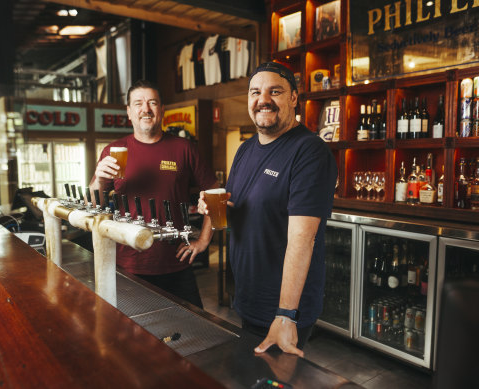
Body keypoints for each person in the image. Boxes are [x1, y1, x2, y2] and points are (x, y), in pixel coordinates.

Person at [198, 62, 338, 356]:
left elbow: (303, 239)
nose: (263, 100)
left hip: (282, 308)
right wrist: (215, 211)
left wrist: (286, 314)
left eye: (275, 91)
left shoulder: (309, 151)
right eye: (255, 92)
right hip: (248, 297)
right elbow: (239, 215)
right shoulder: (246, 149)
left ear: (294, 98)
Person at [90, 80, 216, 308]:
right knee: (134, 335)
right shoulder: (113, 150)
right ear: (129, 112)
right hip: (129, 264)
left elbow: (215, 193)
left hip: (176, 263)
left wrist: (204, 241)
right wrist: (99, 179)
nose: (145, 109)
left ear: (162, 109)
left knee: (192, 333)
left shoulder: (184, 148)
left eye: (152, 103)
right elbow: (93, 201)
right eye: (138, 103)